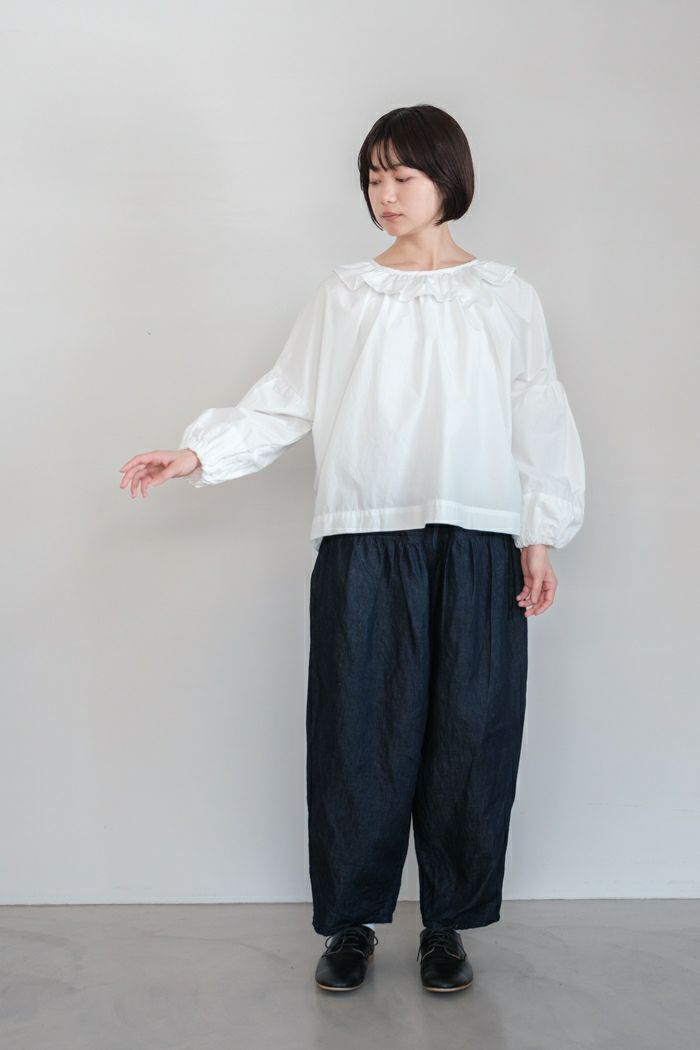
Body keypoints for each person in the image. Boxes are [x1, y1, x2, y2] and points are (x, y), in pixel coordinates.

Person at [119, 104, 585, 994]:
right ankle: (351, 925)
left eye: (403, 175)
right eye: (373, 177)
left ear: (448, 180)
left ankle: (447, 926)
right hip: (364, 536)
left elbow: (539, 415)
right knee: (356, 732)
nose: (385, 194)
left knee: (472, 733)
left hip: (480, 535)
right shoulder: (346, 294)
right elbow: (284, 398)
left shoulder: (506, 295)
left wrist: (540, 533)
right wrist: (197, 454)